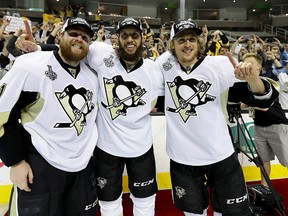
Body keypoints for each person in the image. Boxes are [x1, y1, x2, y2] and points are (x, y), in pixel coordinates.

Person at [156, 20, 279, 216]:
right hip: (183, 158)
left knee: (230, 212)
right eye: (181, 40)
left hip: (220, 155)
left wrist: (252, 78)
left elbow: (264, 100)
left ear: (199, 42)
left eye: (191, 39)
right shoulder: (163, 65)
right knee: (194, 213)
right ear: (173, 44)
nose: (187, 44)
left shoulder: (219, 65)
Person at [0, 17, 99, 216]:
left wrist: (39, 46)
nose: (79, 39)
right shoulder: (30, 66)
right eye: (73, 34)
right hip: (41, 165)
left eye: (84, 37)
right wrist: (16, 162)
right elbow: (2, 113)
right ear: (61, 35)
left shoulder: (92, 75)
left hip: (82, 167)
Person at [86, 17, 162, 216]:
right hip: (106, 147)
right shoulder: (101, 55)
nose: (130, 40)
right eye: (125, 35)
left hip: (141, 146)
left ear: (142, 38)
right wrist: (37, 50)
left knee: (145, 202)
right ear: (117, 38)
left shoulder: (154, 70)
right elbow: (70, 52)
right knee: (109, 203)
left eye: (135, 35)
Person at [229, 53, 288, 188]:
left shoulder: (265, 84)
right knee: (263, 160)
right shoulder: (243, 87)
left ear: (259, 68)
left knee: (286, 160)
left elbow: (263, 106)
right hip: (259, 127)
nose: (245, 66)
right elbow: (247, 103)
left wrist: (245, 104)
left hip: (277, 125)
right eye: (243, 63)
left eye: (250, 64)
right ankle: (265, 187)